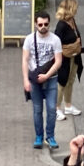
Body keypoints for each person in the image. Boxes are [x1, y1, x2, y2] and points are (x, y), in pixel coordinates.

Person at [22, 10, 63, 150]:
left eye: (46, 24)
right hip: (35, 78)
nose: (43, 26)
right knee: (37, 109)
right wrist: (25, 80)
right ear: (35, 24)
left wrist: (47, 75)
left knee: (52, 108)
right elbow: (25, 59)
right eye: (40, 24)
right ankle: (39, 135)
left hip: (51, 78)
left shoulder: (55, 39)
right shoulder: (29, 39)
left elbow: (58, 61)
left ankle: (50, 136)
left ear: (49, 24)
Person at [54, 0, 84, 123]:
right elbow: (56, 42)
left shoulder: (72, 20)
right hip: (65, 57)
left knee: (70, 80)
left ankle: (68, 105)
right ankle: (56, 108)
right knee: (62, 82)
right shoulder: (61, 25)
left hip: (74, 55)